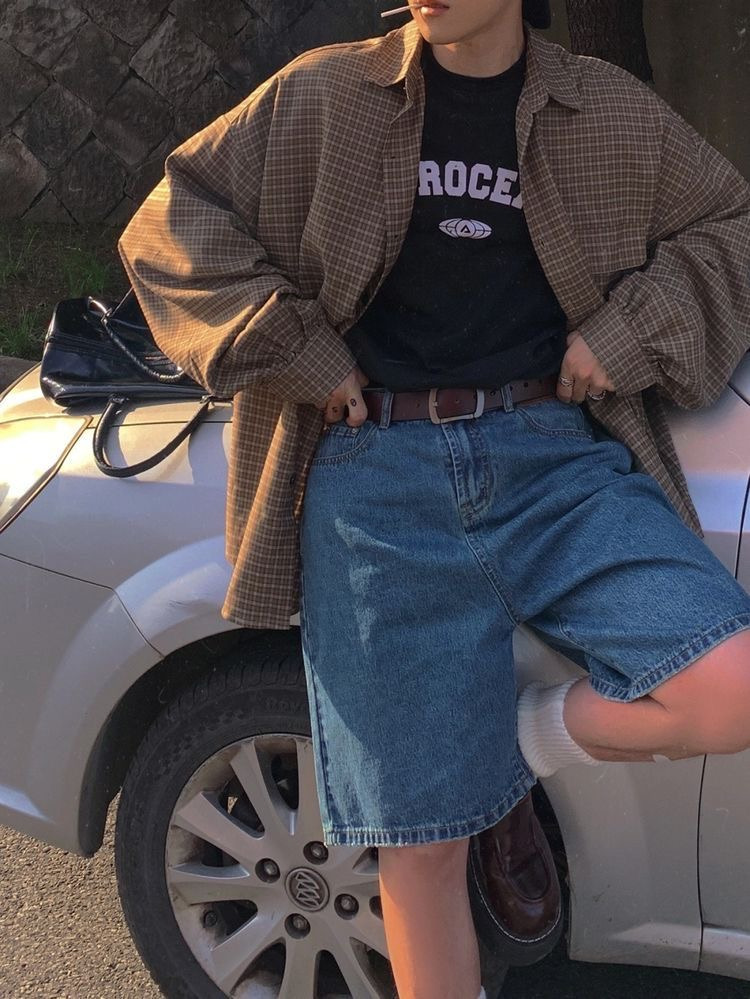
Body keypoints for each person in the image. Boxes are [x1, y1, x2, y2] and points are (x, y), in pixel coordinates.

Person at [117, 0, 750, 995]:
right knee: (420, 849)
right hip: (376, 475)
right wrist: (299, 350)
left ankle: (508, 744)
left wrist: (625, 335)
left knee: (731, 687)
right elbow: (171, 224)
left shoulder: (605, 109)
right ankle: (454, 785)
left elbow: (731, 224)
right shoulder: (328, 93)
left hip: (552, 460)